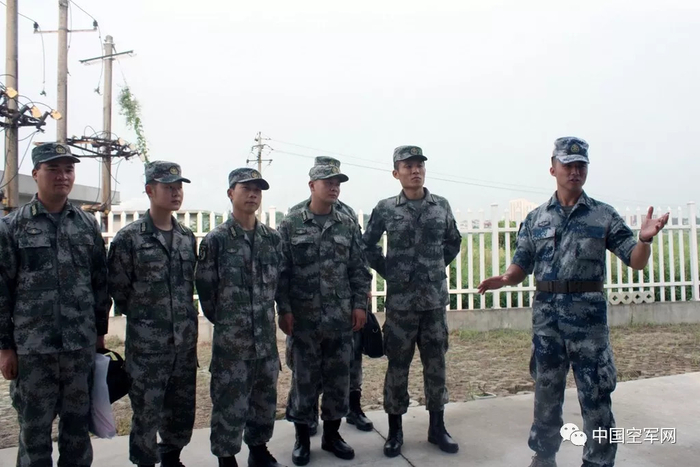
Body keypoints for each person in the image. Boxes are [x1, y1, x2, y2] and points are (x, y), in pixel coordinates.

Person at [477, 137, 669, 467]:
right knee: (546, 394)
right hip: (547, 323)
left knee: (596, 395)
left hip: (588, 325)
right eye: (568, 165)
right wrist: (506, 279)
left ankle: (598, 460)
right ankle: (544, 455)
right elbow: (521, 265)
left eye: (581, 165)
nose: (575, 171)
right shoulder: (536, 219)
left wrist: (644, 240)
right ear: (553, 169)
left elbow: (635, 261)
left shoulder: (602, 215)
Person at [0, 142, 111, 466]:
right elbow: (2, 292)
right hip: (34, 352)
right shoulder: (12, 226)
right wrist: (5, 348)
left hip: (79, 350)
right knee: (34, 435)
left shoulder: (87, 225)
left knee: (77, 434)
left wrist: (99, 336)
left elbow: (99, 284)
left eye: (68, 169)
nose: (62, 176)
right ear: (36, 173)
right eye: (53, 169)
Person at [362, 145, 462, 458]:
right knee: (397, 367)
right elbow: (368, 245)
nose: (415, 170)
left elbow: (454, 241)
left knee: (436, 366)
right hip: (401, 305)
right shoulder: (385, 208)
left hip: (433, 304)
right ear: (396, 173)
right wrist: (390, 271)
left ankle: (437, 427)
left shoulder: (440, 205)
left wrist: (434, 268)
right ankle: (395, 431)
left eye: (419, 165)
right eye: (408, 166)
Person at [276, 159, 371, 466]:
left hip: (340, 319)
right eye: (328, 182)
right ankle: (302, 439)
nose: (334, 187)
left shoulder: (346, 223)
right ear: (312, 185)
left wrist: (360, 305)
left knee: (338, 381)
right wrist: (284, 309)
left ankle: (332, 436)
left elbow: (359, 269)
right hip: (303, 320)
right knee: (304, 381)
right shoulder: (291, 224)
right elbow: (282, 272)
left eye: (337, 183)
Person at [107, 161, 198, 467]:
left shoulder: (186, 236)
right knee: (146, 413)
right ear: (150, 190)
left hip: (183, 345)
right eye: (168, 187)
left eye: (179, 187)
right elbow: (119, 290)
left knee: (181, 409)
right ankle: (144, 462)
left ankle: (172, 457)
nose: (176, 193)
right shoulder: (129, 238)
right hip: (147, 348)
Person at [195, 168, 286, 467]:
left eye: (257, 189)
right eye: (246, 188)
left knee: (264, 401)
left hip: (265, 341)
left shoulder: (272, 239)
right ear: (230, 193)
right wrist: (230, 321)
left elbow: (280, 284)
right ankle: (227, 458)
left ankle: (258, 451)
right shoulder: (217, 240)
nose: (253, 194)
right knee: (229, 403)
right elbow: (206, 290)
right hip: (232, 344)